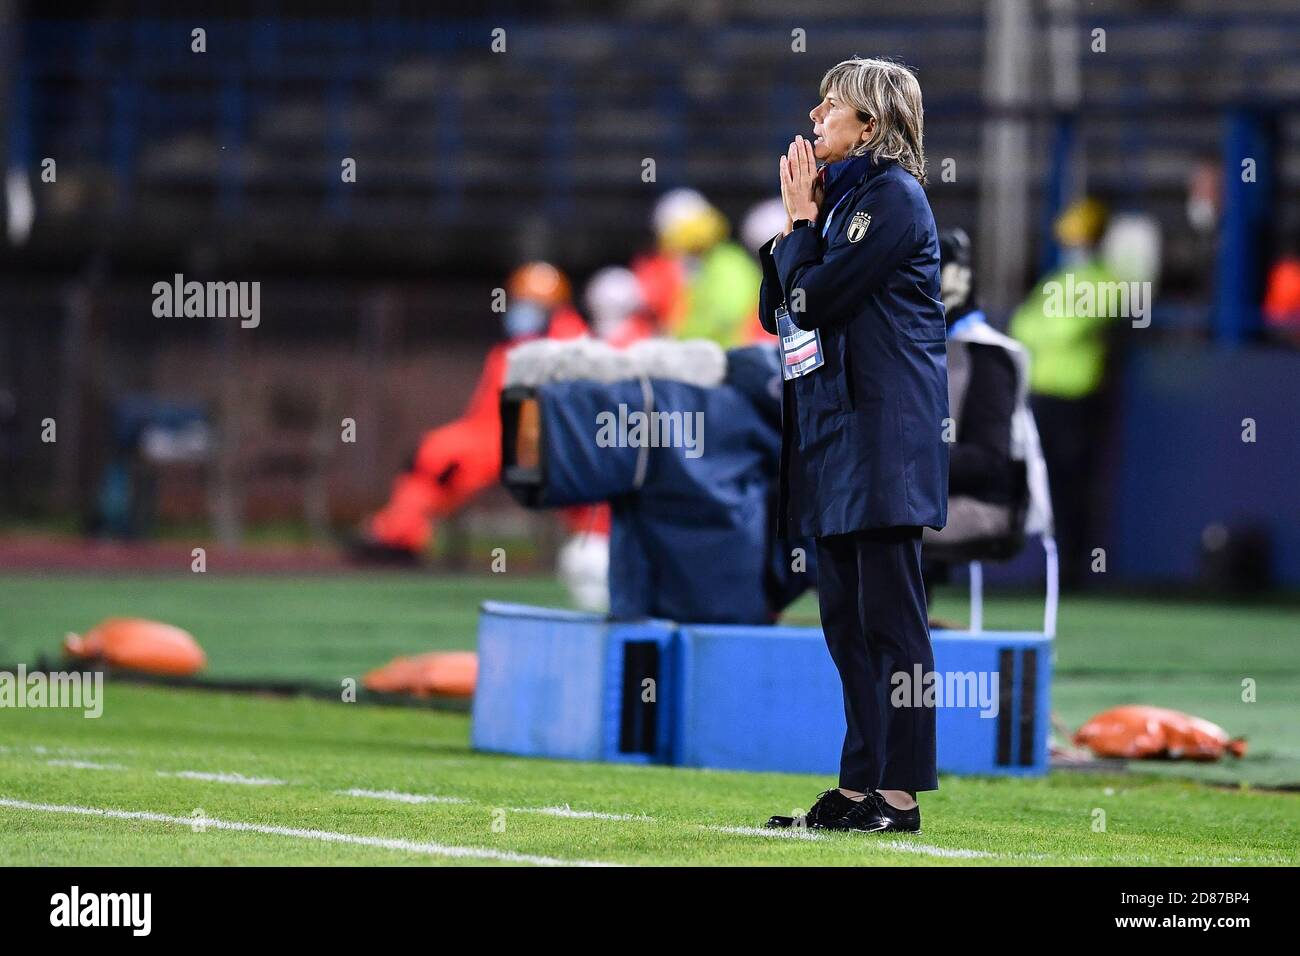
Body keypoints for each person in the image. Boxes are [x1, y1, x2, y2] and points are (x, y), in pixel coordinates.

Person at [758, 57, 948, 834]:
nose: (814, 116)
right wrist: (799, 227)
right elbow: (778, 313)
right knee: (843, 620)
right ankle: (860, 782)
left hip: (883, 435)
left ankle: (899, 796)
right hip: (834, 434)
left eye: (830, 106)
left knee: (893, 623)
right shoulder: (835, 205)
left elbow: (815, 295)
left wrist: (800, 229)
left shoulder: (893, 198)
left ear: (869, 124)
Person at [352, 262, 595, 563]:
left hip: (537, 443)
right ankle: (399, 534)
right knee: (431, 456)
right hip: (495, 438)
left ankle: (599, 547)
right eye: (520, 302)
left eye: (532, 304)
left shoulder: (571, 347)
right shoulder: (517, 346)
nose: (522, 309)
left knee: (442, 459)